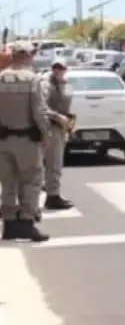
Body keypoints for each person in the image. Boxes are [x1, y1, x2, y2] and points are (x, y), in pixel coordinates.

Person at [0, 41, 51, 243]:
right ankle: (28, 223)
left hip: (3, 140)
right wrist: (46, 133)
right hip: (27, 140)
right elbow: (39, 111)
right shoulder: (33, 79)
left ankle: (9, 224)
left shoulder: (0, 78)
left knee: (7, 183)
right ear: (29, 56)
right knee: (31, 181)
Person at [41, 57, 75, 211]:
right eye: (56, 67)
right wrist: (57, 117)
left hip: (61, 127)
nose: (58, 70)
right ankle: (51, 195)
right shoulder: (45, 84)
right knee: (50, 163)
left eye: (61, 68)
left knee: (56, 163)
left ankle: (53, 194)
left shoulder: (66, 84)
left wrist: (69, 124)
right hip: (49, 127)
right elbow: (41, 107)